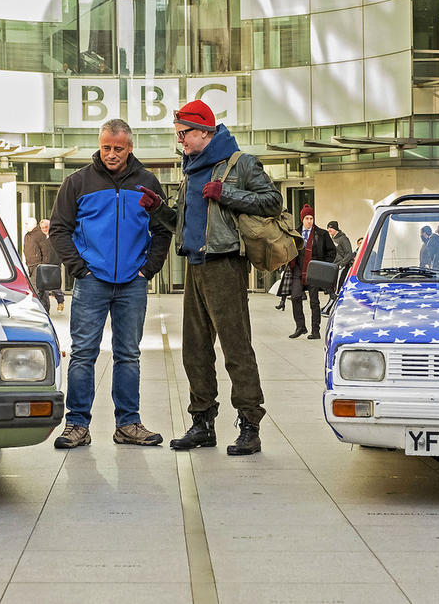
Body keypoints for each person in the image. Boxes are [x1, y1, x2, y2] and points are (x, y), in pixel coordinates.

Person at [139, 99, 282, 456]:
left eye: (184, 134)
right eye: (178, 135)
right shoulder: (191, 170)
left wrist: (228, 193)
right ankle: (202, 423)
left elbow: (273, 202)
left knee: (236, 349)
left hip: (225, 266)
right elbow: (184, 227)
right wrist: (159, 209)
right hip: (195, 267)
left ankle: (250, 425)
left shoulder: (240, 163)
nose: (181, 141)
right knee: (195, 351)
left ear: (204, 130)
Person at [49, 118, 171, 449]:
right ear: (99, 144)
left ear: (130, 148)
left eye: (118, 148)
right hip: (92, 282)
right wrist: (79, 268)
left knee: (128, 354)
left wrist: (149, 269)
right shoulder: (78, 182)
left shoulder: (146, 183)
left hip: (132, 282)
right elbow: (58, 229)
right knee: (83, 353)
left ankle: (128, 424)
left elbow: (163, 229)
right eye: (106, 147)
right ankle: (76, 424)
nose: (111, 154)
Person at [276, 205, 335, 339]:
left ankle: (315, 331)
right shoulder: (295, 233)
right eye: (307, 218)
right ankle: (300, 327)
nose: (309, 221)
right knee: (295, 297)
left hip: (314, 271)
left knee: (314, 302)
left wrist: (323, 265)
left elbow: (332, 252)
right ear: (302, 219)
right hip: (298, 270)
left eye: (311, 218)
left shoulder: (322, 234)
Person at [23, 219, 65, 313]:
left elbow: (47, 252)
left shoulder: (48, 236)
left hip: (48, 265)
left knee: (49, 288)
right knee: (42, 289)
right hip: (35, 265)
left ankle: (59, 302)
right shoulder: (29, 236)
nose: (44, 229)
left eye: (46, 227)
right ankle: (44, 309)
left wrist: (44, 265)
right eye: (42, 227)